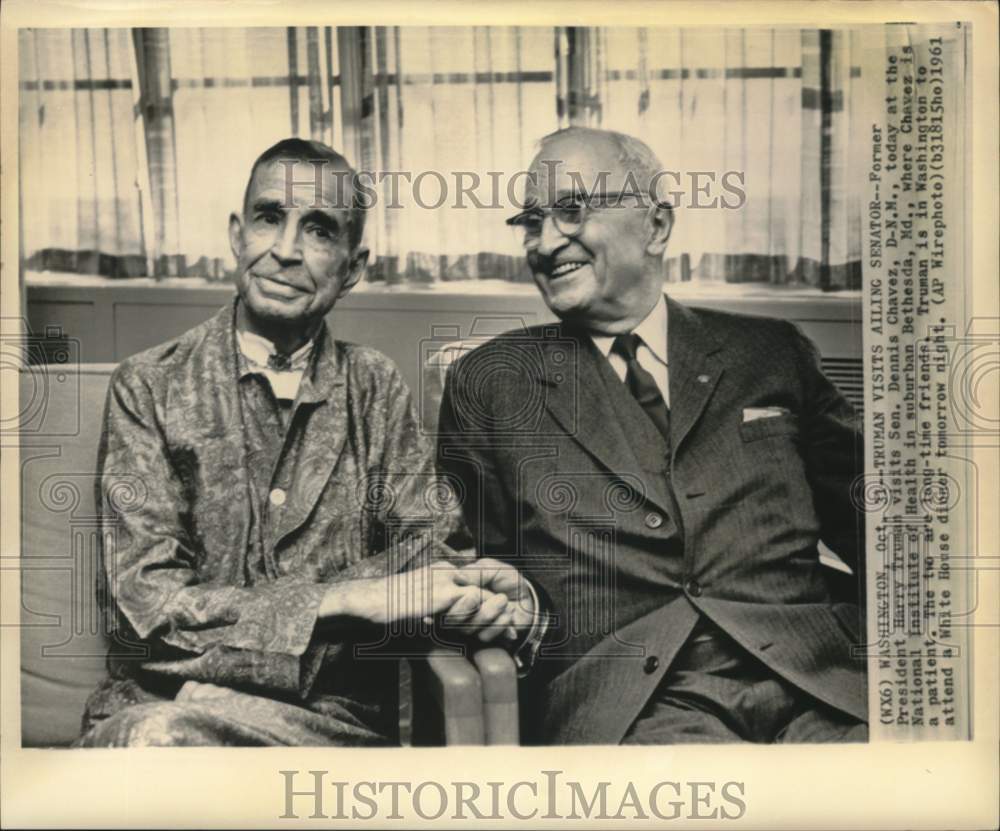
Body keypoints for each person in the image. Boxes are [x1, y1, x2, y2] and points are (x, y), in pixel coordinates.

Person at [76, 138, 520, 747]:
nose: (285, 251)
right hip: (161, 710)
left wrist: (441, 588)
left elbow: (434, 555)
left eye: (317, 230)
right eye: (268, 218)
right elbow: (146, 609)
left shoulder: (375, 385)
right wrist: (354, 598)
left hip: (329, 724)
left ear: (352, 267)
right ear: (238, 234)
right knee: (160, 739)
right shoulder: (149, 386)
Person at [437, 126, 867, 744]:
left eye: (571, 210)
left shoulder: (771, 352)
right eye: (532, 221)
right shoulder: (493, 382)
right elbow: (481, 565)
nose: (546, 241)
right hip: (641, 706)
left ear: (657, 226)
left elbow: (880, 527)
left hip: (819, 683)